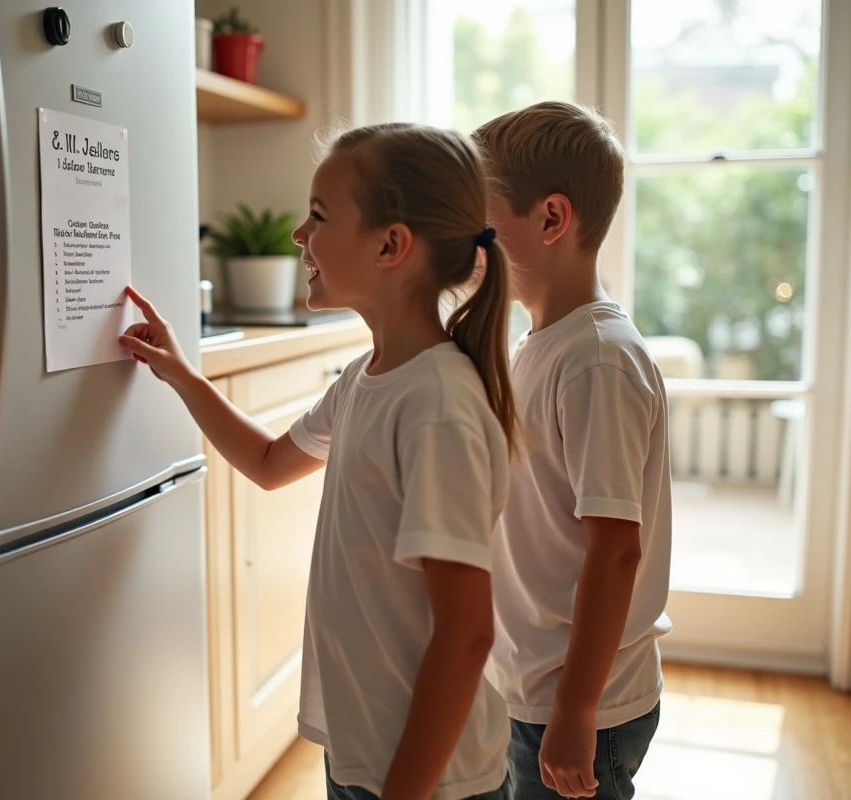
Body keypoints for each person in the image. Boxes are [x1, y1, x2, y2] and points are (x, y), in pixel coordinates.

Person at [119, 122, 518, 800]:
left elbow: (467, 632)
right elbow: (272, 462)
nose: (299, 237)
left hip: (431, 777)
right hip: (366, 748)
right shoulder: (368, 377)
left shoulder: (437, 406)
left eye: (319, 217)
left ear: (392, 245)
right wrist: (184, 375)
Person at [471, 101, 674, 800]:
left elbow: (615, 549)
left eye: (481, 221)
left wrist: (576, 710)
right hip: (532, 684)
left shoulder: (596, 360)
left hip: (583, 700)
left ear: (552, 219)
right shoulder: (539, 343)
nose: (467, 240)